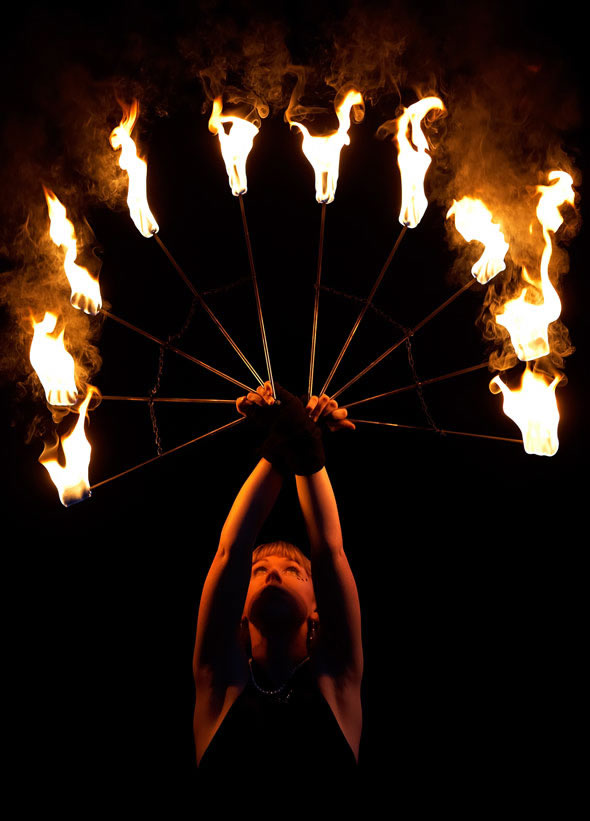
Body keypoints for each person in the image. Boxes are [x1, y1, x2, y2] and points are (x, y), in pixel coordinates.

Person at [193, 382, 363, 772]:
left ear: (318, 607)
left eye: (292, 570)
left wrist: (293, 434)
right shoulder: (217, 682)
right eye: (259, 570)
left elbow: (329, 552)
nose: (273, 574)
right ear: (238, 607)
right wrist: (297, 435)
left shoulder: (338, 680)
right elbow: (230, 552)